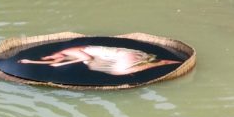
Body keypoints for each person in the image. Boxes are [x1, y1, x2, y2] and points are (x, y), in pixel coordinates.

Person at [19, 45, 180, 76]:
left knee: (118, 71)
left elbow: (86, 57)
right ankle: (152, 65)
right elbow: (52, 63)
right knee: (96, 68)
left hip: (107, 55)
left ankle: (164, 63)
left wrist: (62, 63)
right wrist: (30, 62)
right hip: (100, 59)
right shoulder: (62, 56)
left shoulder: (67, 52)